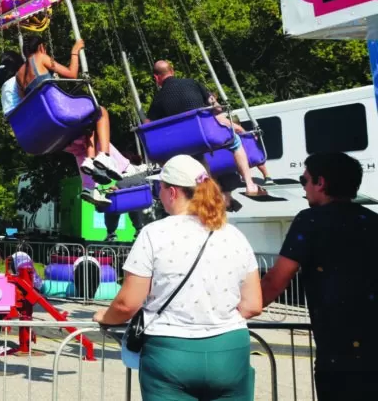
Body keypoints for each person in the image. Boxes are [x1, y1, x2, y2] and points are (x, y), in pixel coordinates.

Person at [93, 155, 262, 401]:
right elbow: (253, 305)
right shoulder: (234, 235)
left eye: (159, 188)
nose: (157, 194)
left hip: (170, 353)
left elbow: (127, 304)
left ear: (172, 192)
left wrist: (104, 317)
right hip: (230, 350)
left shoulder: (154, 234)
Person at [260, 152, 377, 400]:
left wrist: (240, 309)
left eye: (304, 181)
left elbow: (275, 281)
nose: (303, 188)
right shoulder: (373, 220)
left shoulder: (310, 221)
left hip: (338, 359)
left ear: (320, 183)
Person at [147, 61, 263, 198]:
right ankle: (250, 184)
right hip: (206, 135)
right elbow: (217, 107)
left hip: (183, 143)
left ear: (156, 77)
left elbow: (148, 124)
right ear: (172, 71)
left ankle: (210, 194)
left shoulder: (158, 99)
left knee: (199, 157)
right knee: (235, 142)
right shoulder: (192, 83)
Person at [17, 34, 120, 179]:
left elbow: (26, 102)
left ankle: (90, 160)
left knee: (88, 121)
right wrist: (75, 51)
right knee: (100, 111)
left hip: (43, 124)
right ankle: (105, 154)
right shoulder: (40, 57)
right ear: (41, 47)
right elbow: (72, 74)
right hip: (58, 113)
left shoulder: (18, 76)